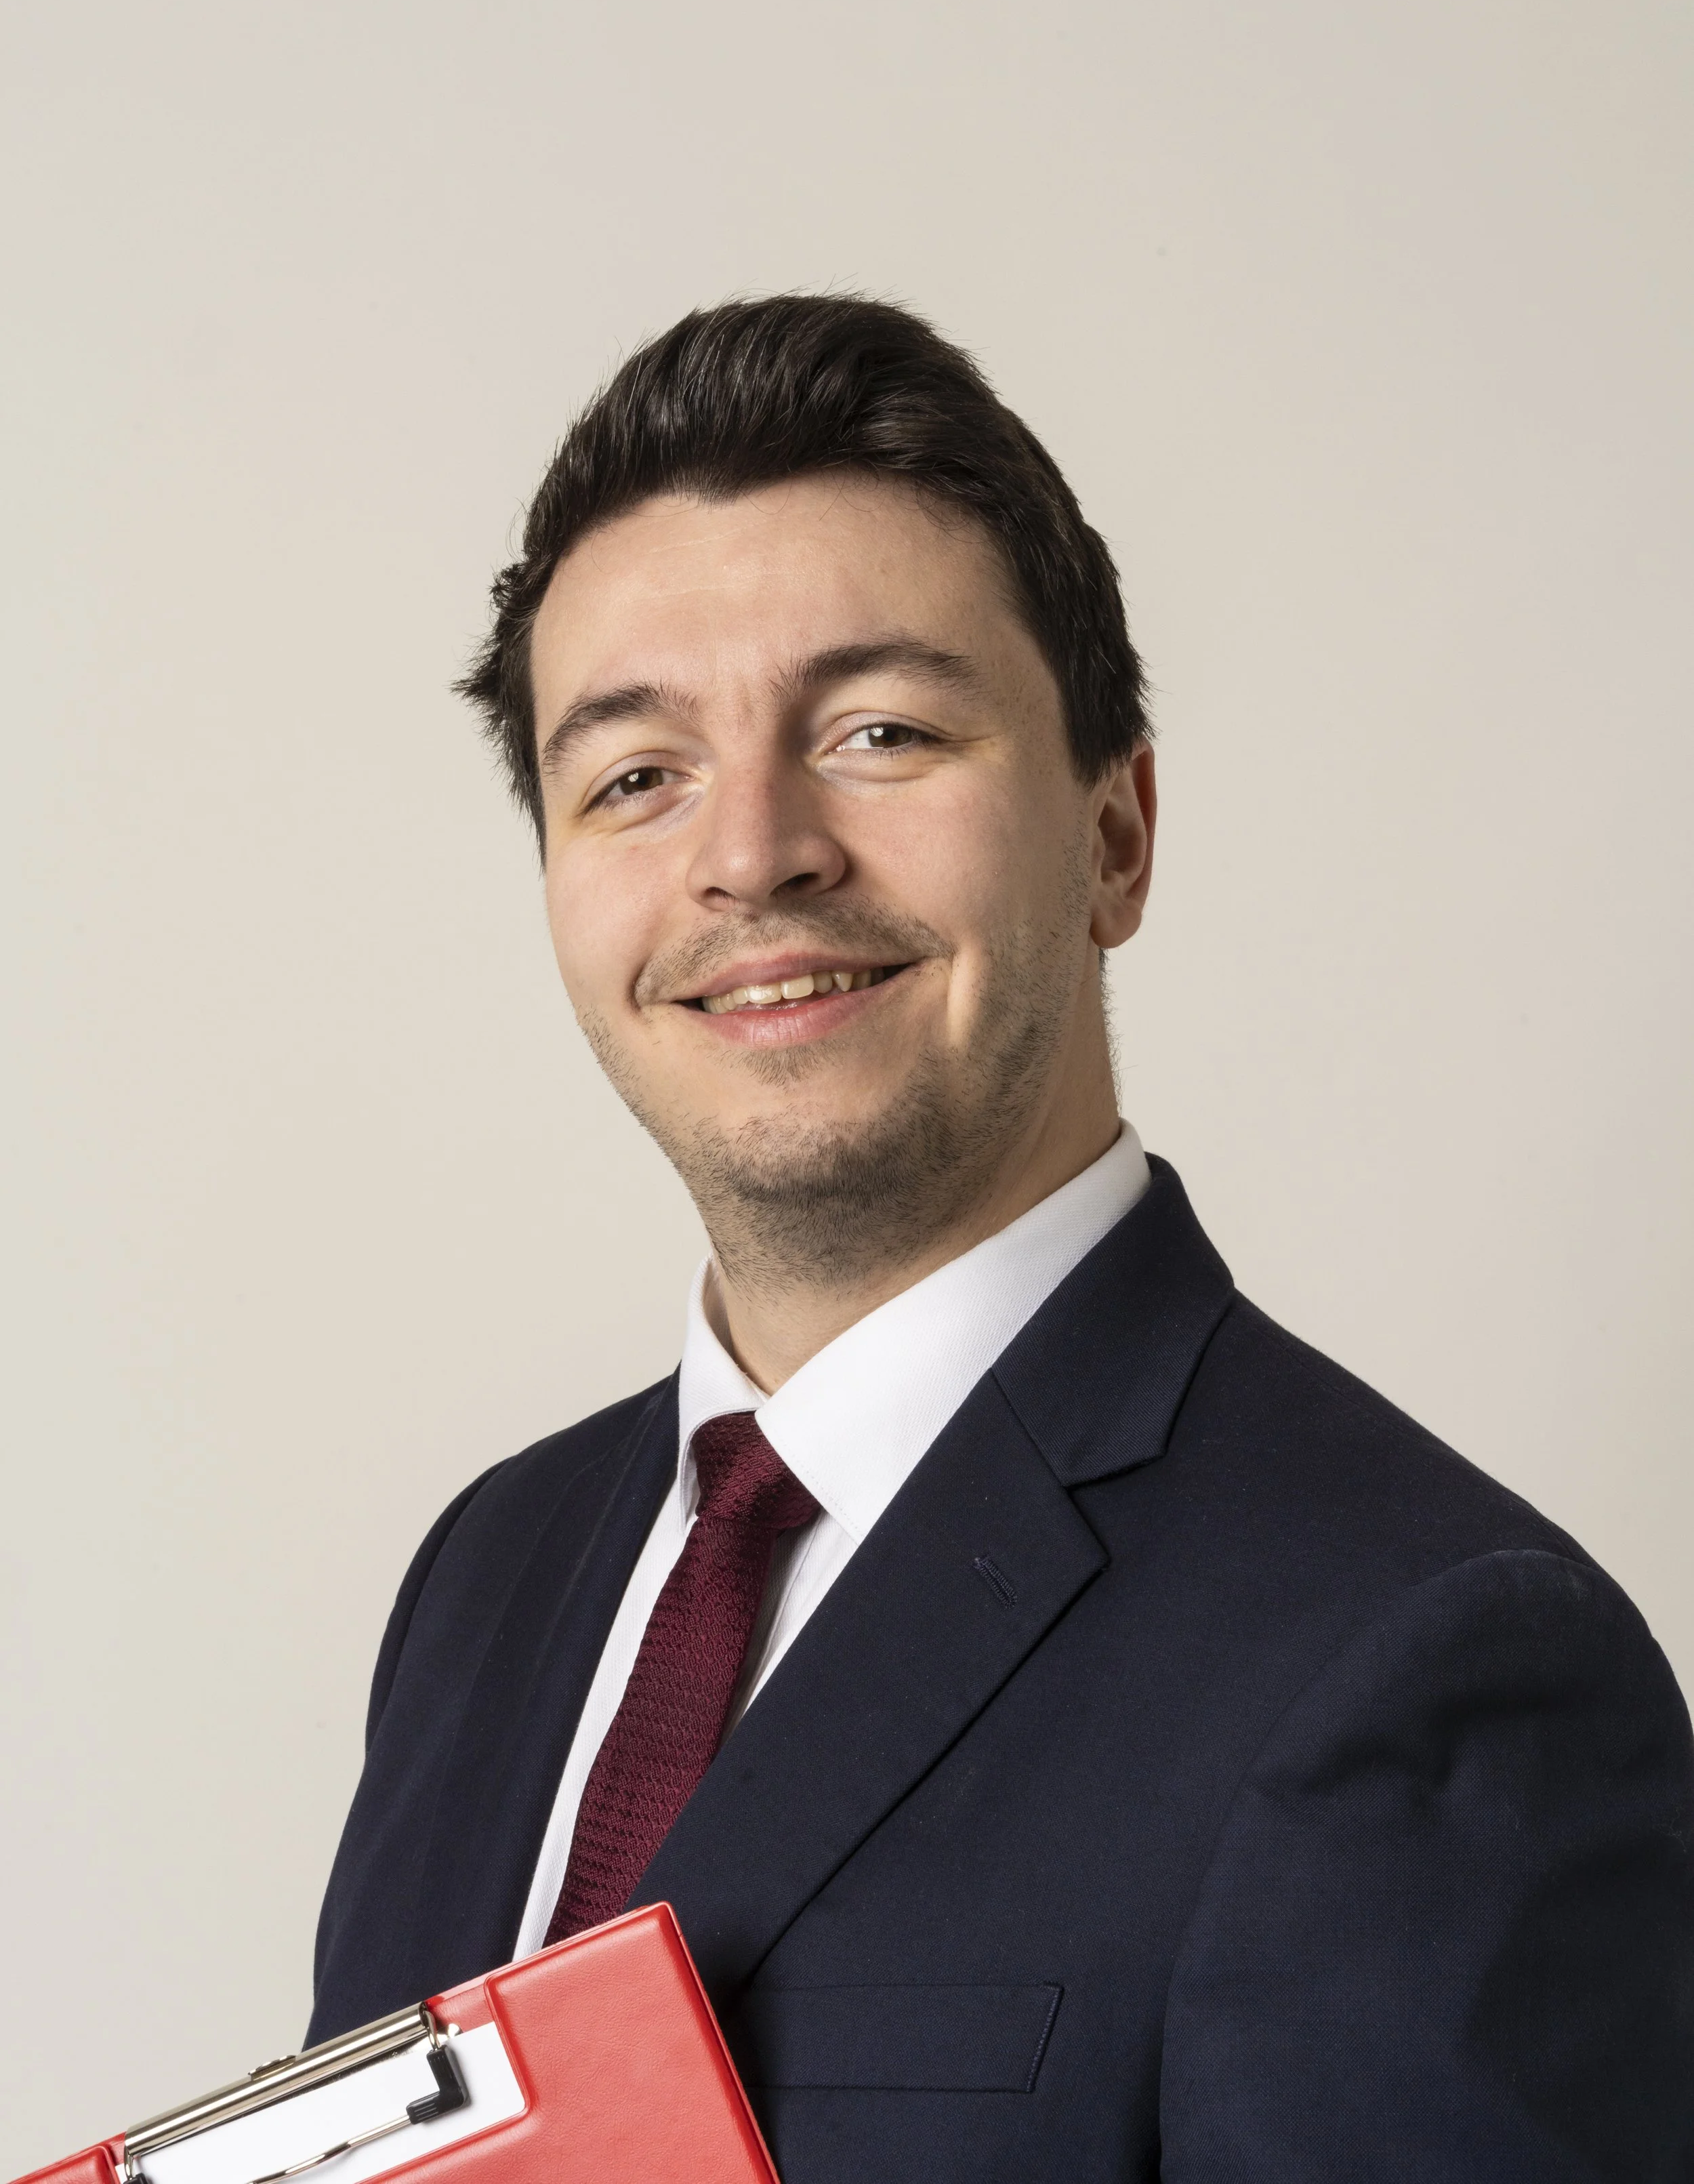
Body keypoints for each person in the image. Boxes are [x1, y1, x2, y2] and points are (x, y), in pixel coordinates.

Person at [308, 294, 1694, 2179]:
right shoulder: (487, 1576)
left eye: (879, 731)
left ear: (1114, 834)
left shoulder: (1426, 1666)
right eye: (635, 776)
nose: (751, 854)